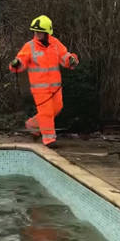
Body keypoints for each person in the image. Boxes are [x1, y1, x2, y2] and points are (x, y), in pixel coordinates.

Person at [9, 15, 79, 148]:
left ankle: (33, 125)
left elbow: (65, 56)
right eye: (35, 31)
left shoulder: (55, 44)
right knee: (46, 113)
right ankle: (49, 140)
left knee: (57, 108)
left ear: (47, 32)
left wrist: (71, 60)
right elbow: (21, 60)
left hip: (56, 87)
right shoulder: (29, 46)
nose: (37, 34)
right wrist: (16, 64)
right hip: (40, 89)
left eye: (40, 31)